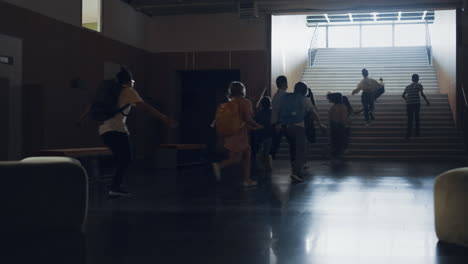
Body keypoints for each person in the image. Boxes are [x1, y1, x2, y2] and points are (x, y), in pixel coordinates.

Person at [78, 67, 177, 198]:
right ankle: (115, 187)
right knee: (126, 158)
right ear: (129, 81)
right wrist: (164, 118)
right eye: (133, 80)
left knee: (122, 157)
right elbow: (146, 108)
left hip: (103, 130)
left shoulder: (107, 91)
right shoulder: (128, 91)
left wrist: (80, 119)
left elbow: (91, 105)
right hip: (117, 129)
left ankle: (113, 184)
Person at [212, 81, 262, 187]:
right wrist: (257, 125)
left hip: (231, 134)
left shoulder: (229, 104)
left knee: (246, 153)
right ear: (242, 90)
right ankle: (219, 166)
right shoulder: (245, 102)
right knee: (239, 157)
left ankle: (247, 179)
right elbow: (247, 118)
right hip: (239, 135)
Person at [279, 81, 325, 181]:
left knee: (294, 148)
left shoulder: (287, 98)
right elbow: (314, 113)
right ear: (304, 90)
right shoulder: (305, 99)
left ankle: (296, 169)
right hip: (298, 126)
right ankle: (296, 173)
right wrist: (320, 125)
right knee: (301, 150)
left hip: (285, 127)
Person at [270, 75, 295, 161]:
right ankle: (295, 161)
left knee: (275, 144)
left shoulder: (276, 95)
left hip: (276, 122)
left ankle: (269, 162)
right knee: (292, 142)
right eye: (286, 82)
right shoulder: (285, 95)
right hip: (281, 123)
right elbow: (282, 110)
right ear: (284, 83)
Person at [402, 74, 430, 139]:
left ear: (412, 79)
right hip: (416, 103)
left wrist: (407, 100)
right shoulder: (419, 85)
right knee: (417, 117)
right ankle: (417, 133)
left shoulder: (408, 86)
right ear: (418, 79)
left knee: (410, 119)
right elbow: (422, 94)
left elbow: (403, 95)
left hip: (409, 104)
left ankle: (408, 134)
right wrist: (427, 101)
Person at [252, 96, 274, 171]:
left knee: (261, 151)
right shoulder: (272, 112)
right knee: (267, 151)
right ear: (269, 103)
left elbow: (254, 122)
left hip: (260, 135)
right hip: (269, 134)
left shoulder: (259, 113)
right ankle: (267, 166)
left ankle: (261, 166)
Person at [327, 93, 348, 164]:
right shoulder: (343, 107)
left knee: (334, 142)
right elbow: (343, 118)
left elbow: (329, 118)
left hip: (333, 126)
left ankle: (333, 158)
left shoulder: (332, 107)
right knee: (340, 143)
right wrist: (345, 126)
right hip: (340, 126)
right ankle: (338, 158)